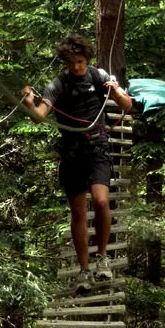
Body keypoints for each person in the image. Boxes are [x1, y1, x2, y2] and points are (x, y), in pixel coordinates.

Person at [21, 35, 133, 293]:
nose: (76, 67)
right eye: (71, 62)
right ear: (65, 61)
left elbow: (127, 106)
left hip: (98, 148)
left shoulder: (98, 76)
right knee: (78, 212)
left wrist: (116, 90)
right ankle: (84, 270)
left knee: (102, 202)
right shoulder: (57, 84)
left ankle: (102, 257)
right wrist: (29, 104)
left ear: (87, 59)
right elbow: (40, 116)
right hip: (72, 153)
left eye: (80, 61)